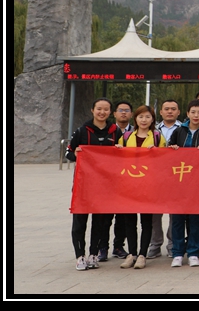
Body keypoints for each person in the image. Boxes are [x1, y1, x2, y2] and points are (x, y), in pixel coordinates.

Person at [67, 98, 122, 271]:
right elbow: (68, 153)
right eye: (99, 109)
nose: (102, 112)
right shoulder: (82, 131)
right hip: (83, 184)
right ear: (92, 110)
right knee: (79, 222)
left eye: (106, 109)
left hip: (105, 185)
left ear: (110, 112)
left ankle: (93, 254)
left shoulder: (115, 132)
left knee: (101, 222)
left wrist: (120, 150)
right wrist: (76, 154)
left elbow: (124, 156)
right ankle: (80, 256)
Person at [115, 105, 166, 270]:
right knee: (129, 221)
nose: (144, 120)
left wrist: (157, 151)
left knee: (146, 221)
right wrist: (118, 150)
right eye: (141, 117)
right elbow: (117, 159)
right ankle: (132, 254)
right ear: (135, 118)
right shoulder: (126, 136)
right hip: (129, 184)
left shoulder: (157, 137)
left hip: (148, 185)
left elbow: (165, 160)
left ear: (153, 119)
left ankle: (142, 254)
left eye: (147, 117)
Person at [167, 99, 199, 267]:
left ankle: (193, 252)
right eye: (193, 112)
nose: (196, 115)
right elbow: (167, 153)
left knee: (196, 219)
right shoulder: (179, 131)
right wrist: (173, 149)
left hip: (198, 183)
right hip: (179, 182)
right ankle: (177, 253)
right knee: (177, 219)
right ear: (187, 113)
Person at [148, 99, 182, 260]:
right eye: (166, 109)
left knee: (175, 214)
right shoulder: (152, 130)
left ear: (179, 112)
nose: (170, 111)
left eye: (173, 109)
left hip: (177, 176)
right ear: (160, 112)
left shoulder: (184, 129)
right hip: (155, 177)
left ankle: (172, 244)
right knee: (154, 213)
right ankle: (155, 244)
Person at [108, 100, 134, 261]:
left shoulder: (136, 132)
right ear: (114, 113)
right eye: (120, 110)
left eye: (127, 110)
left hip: (129, 179)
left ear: (132, 114)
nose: (124, 113)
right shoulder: (109, 130)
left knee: (123, 217)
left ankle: (118, 246)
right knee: (105, 216)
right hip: (109, 179)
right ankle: (101, 247)